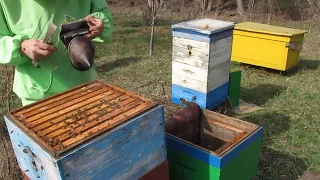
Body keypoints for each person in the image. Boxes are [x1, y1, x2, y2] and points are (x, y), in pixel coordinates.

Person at [0, 0, 113, 106]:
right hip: (37, 94)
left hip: (84, 85)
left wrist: (97, 23)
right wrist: (21, 46)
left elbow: (103, 13)